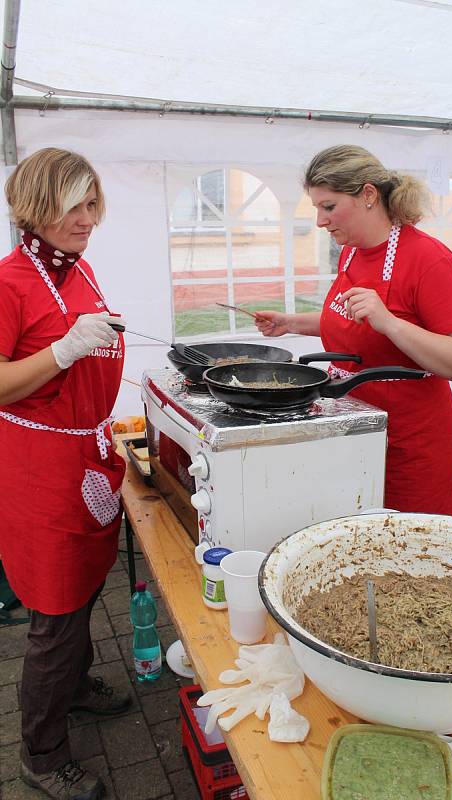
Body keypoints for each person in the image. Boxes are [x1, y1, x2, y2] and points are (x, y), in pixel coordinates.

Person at [0, 148, 131, 799]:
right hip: (39, 470)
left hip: (86, 451)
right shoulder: (9, 283)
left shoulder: (77, 269)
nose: (87, 219)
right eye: (73, 205)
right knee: (53, 611)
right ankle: (42, 756)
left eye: (91, 204)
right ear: (37, 205)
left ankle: (75, 687)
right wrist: (62, 349)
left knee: (84, 585)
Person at [256, 145, 452, 515]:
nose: (320, 221)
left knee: (406, 551)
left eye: (329, 207)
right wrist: (290, 322)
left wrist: (391, 323)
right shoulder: (351, 252)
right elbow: (354, 324)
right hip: (350, 428)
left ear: (368, 195)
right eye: (316, 209)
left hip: (410, 442)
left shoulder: (430, 260)